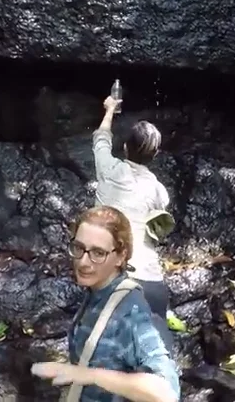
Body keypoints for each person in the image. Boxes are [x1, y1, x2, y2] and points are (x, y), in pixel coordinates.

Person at [32, 206, 180, 402]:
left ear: (120, 256)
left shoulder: (130, 312)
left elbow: (166, 393)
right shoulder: (96, 292)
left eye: (98, 253)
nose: (84, 262)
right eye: (78, 248)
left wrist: (89, 375)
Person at [90, 95, 176, 350]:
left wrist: (109, 111)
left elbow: (101, 139)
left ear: (125, 147)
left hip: (115, 280)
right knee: (155, 354)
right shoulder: (159, 192)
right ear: (156, 154)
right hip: (152, 284)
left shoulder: (108, 169)